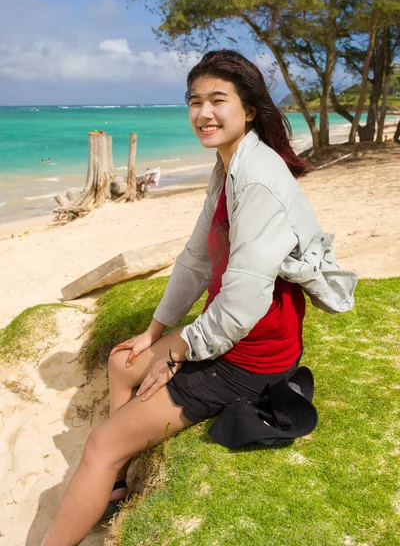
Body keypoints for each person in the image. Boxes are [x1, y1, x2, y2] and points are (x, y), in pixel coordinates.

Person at [42, 50, 357, 546]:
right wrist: (153, 332)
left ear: (248, 109)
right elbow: (195, 257)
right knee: (125, 360)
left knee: (101, 443)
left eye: (217, 100)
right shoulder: (229, 165)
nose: (203, 113)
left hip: (252, 358)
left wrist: (179, 353)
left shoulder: (258, 180)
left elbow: (243, 302)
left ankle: (107, 465)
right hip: (232, 339)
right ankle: (116, 488)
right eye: (194, 102)